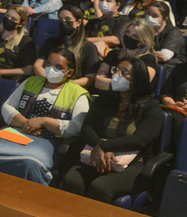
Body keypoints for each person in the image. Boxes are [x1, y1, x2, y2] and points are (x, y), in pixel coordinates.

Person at [0, 49, 90, 185]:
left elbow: (76, 127)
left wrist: (44, 121)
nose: (51, 69)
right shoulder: (32, 81)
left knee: (29, 163)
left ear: (70, 72)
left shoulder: (78, 94)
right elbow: (7, 107)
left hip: (49, 139)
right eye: (49, 64)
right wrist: (26, 123)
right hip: (18, 130)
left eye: (58, 67)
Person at [62, 57, 164, 204]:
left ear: (137, 79)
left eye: (124, 73)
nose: (117, 75)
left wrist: (105, 146)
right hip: (96, 153)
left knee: (100, 188)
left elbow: (140, 139)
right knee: (72, 181)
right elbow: (86, 128)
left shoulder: (151, 108)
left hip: (132, 160)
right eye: (116, 70)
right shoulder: (103, 100)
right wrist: (99, 146)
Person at [34, 5, 100, 88]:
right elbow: (37, 65)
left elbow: (90, 78)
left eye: (68, 19)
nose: (63, 22)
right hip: (47, 84)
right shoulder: (51, 42)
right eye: (61, 20)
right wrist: (50, 81)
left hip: (71, 88)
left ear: (78, 22)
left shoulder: (89, 47)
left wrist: (64, 85)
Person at [95, 19, 158, 91]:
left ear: (143, 41)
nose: (129, 37)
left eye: (135, 36)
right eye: (127, 32)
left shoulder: (148, 59)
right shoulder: (114, 54)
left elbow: (142, 85)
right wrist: (124, 85)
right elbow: (98, 82)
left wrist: (108, 84)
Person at [0, 5, 36, 79]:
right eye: (7, 16)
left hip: (9, 78)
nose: (9, 19)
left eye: (13, 19)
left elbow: (29, 69)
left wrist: (1, 72)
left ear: (21, 24)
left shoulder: (25, 41)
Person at [146, 1, 186, 71]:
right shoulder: (145, 30)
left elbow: (164, 56)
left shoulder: (174, 32)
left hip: (170, 69)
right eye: (148, 14)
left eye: (155, 15)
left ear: (164, 19)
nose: (150, 17)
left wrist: (141, 54)